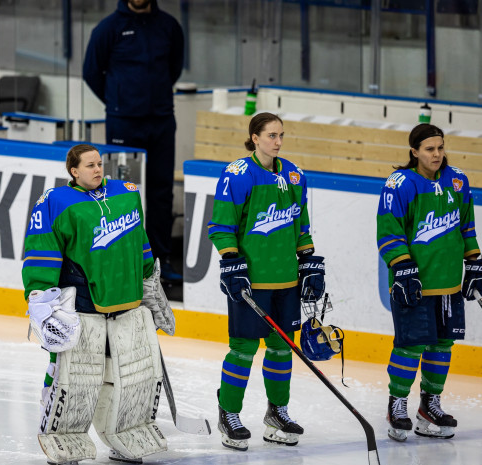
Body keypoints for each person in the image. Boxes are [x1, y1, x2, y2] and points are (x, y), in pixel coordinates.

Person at [22, 143, 174, 465]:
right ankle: (61, 439)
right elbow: (42, 252)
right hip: (82, 308)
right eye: (89, 165)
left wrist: (149, 282)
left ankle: (123, 437)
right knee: (71, 377)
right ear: (73, 171)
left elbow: (140, 243)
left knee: (129, 377)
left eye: (99, 163)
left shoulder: (126, 194)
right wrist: (40, 296)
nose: (97, 169)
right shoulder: (56, 202)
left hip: (126, 305)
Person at [207, 113, 325, 451]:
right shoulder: (237, 175)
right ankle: (229, 413)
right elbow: (221, 226)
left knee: (281, 347)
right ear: (254, 138)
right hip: (250, 279)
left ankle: (277, 413)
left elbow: (300, 225)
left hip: (286, 279)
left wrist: (308, 262)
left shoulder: (294, 174)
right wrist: (231, 261)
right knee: (243, 349)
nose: (278, 141)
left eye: (281, 135)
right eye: (271, 135)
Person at [376, 123, 480, 442]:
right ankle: (397, 406)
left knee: (441, 345)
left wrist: (474, 262)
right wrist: (403, 267)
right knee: (410, 346)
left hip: (448, 284)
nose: (437, 154)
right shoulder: (400, 184)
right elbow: (388, 230)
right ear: (415, 152)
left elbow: (466, 226)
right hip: (414, 283)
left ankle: (429, 407)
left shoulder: (458, 181)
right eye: (429, 149)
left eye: (440, 147)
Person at [83, 0, 184, 283]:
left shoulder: (169, 26)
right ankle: (125, 263)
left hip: (162, 120)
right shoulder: (108, 28)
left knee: (162, 193)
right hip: (123, 122)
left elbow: (174, 68)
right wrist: (119, 102)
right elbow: (91, 72)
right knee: (122, 196)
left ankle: (160, 264)